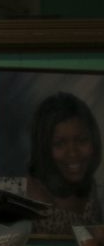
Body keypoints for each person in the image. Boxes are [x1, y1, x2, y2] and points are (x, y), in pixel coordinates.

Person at [22, 92, 104, 234]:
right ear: (44, 149)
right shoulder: (26, 200)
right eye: (59, 144)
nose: (73, 153)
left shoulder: (90, 188)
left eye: (82, 140)